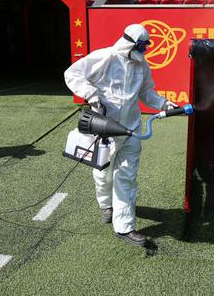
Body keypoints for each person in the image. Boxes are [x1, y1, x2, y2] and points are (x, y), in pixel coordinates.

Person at [64, 24, 177, 246]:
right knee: (103, 174)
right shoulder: (105, 57)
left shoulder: (141, 64)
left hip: (131, 130)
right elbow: (72, 73)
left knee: (126, 177)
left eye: (145, 47)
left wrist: (164, 103)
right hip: (104, 130)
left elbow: (146, 93)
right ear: (129, 43)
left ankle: (124, 228)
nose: (144, 51)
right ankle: (106, 204)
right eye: (141, 46)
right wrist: (91, 94)